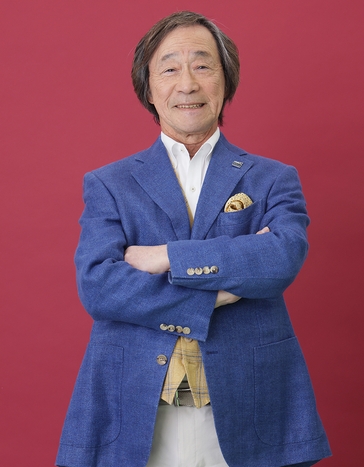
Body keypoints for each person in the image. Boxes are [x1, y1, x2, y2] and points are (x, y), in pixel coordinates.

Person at [56, 11, 331, 467]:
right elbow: (98, 285)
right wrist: (217, 294)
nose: (187, 83)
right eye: (169, 69)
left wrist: (167, 256)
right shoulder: (110, 184)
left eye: (202, 66)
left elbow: (281, 257)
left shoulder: (272, 179)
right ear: (148, 88)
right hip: (136, 408)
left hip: (250, 403)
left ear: (225, 81)